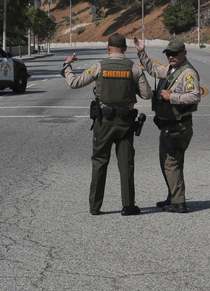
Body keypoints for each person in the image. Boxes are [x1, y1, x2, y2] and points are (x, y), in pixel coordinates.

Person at [61, 32, 152, 216]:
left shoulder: (99, 67)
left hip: (104, 122)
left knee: (100, 162)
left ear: (108, 48)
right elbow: (147, 94)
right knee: (126, 163)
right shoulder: (134, 68)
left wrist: (67, 66)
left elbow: (74, 83)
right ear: (125, 49)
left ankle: (95, 206)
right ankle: (128, 205)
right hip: (126, 122)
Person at [135, 37, 201, 213]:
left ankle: (179, 203)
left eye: (174, 54)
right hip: (169, 125)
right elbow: (154, 70)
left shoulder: (187, 73)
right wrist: (142, 52)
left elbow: (195, 96)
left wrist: (171, 97)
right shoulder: (173, 69)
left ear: (184, 53)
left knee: (171, 162)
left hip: (178, 126)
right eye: (168, 54)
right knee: (169, 162)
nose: (171, 57)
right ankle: (173, 196)